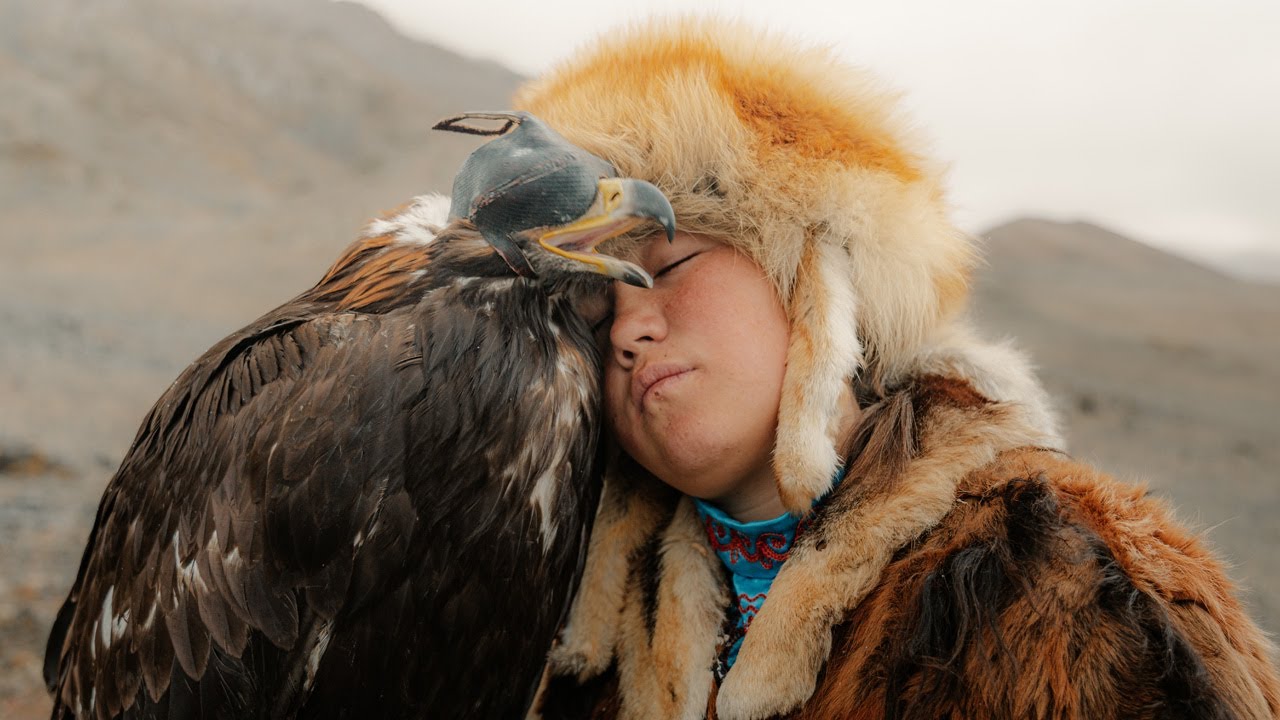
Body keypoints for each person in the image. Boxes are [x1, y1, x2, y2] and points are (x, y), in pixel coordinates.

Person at [514, 18, 1280, 720]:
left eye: (670, 263)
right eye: (596, 313)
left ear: (812, 278)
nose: (630, 330)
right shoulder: (574, 634)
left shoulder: (1069, 591)